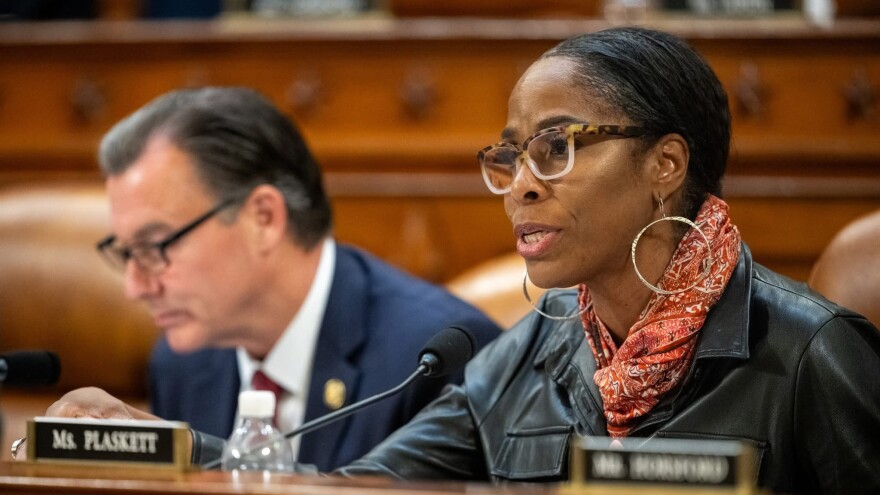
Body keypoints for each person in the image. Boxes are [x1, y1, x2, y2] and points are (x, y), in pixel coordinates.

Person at [328, 27, 880, 494]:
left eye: (555, 148)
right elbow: (368, 486)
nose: (520, 187)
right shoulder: (529, 350)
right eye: (511, 157)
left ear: (665, 164)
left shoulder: (811, 352)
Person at [38, 87, 501, 471]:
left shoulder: (433, 362)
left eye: (156, 247)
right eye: (126, 254)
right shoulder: (184, 364)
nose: (135, 287)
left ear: (262, 218)